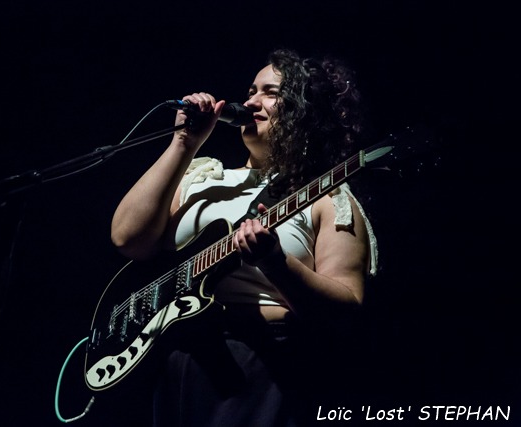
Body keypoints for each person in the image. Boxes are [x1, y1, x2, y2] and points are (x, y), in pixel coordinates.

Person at [109, 48, 378, 426]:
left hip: (260, 358)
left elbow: (345, 308)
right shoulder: (202, 177)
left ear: (305, 112)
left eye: (270, 92)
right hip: (175, 355)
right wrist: (184, 142)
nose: (250, 101)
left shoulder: (328, 196)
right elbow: (128, 237)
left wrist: (275, 261)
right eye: (251, 91)